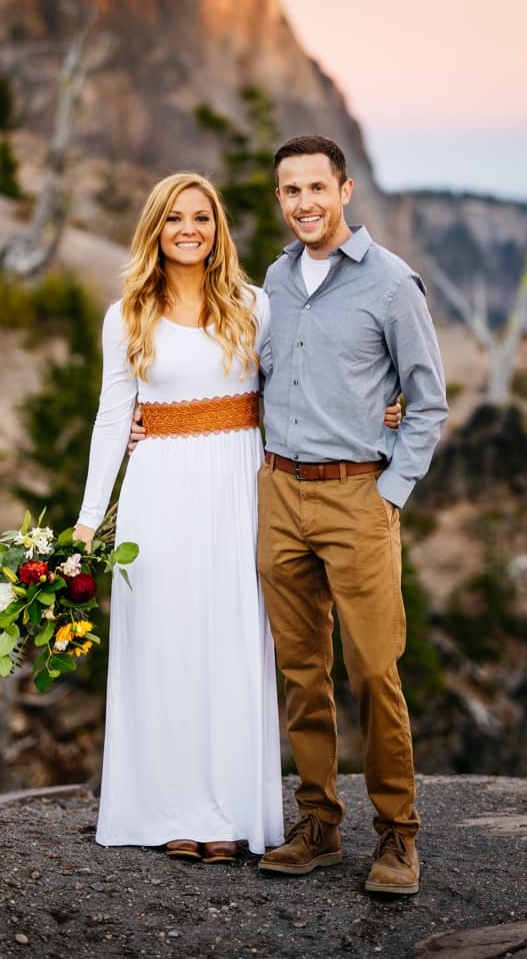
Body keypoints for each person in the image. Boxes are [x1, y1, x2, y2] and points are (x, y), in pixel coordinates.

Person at [252, 134, 448, 896]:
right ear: (281, 200)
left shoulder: (393, 284)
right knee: (301, 672)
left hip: (356, 496)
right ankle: (320, 823)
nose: (304, 203)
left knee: (372, 669)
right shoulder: (274, 278)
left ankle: (398, 837)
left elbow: (427, 403)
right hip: (280, 494)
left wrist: (388, 493)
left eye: (315, 188)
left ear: (345, 191)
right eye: (290, 191)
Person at [73, 172, 282, 863]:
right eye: (174, 219)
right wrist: (86, 522)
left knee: (229, 642)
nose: (188, 228)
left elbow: (298, 389)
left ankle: (228, 812)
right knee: (163, 647)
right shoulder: (127, 315)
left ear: (218, 228)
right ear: (155, 230)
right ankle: (168, 812)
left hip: (238, 489)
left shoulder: (255, 306)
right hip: (158, 493)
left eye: (202, 217)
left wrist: (382, 408)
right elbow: (112, 417)